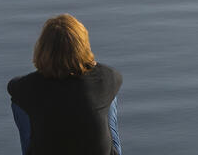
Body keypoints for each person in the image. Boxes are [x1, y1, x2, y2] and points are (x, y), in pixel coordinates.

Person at [8, 14, 122, 155]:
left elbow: (12, 86)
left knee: (19, 103)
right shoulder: (106, 78)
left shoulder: (27, 87)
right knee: (109, 96)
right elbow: (116, 76)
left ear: (42, 49)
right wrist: (89, 63)